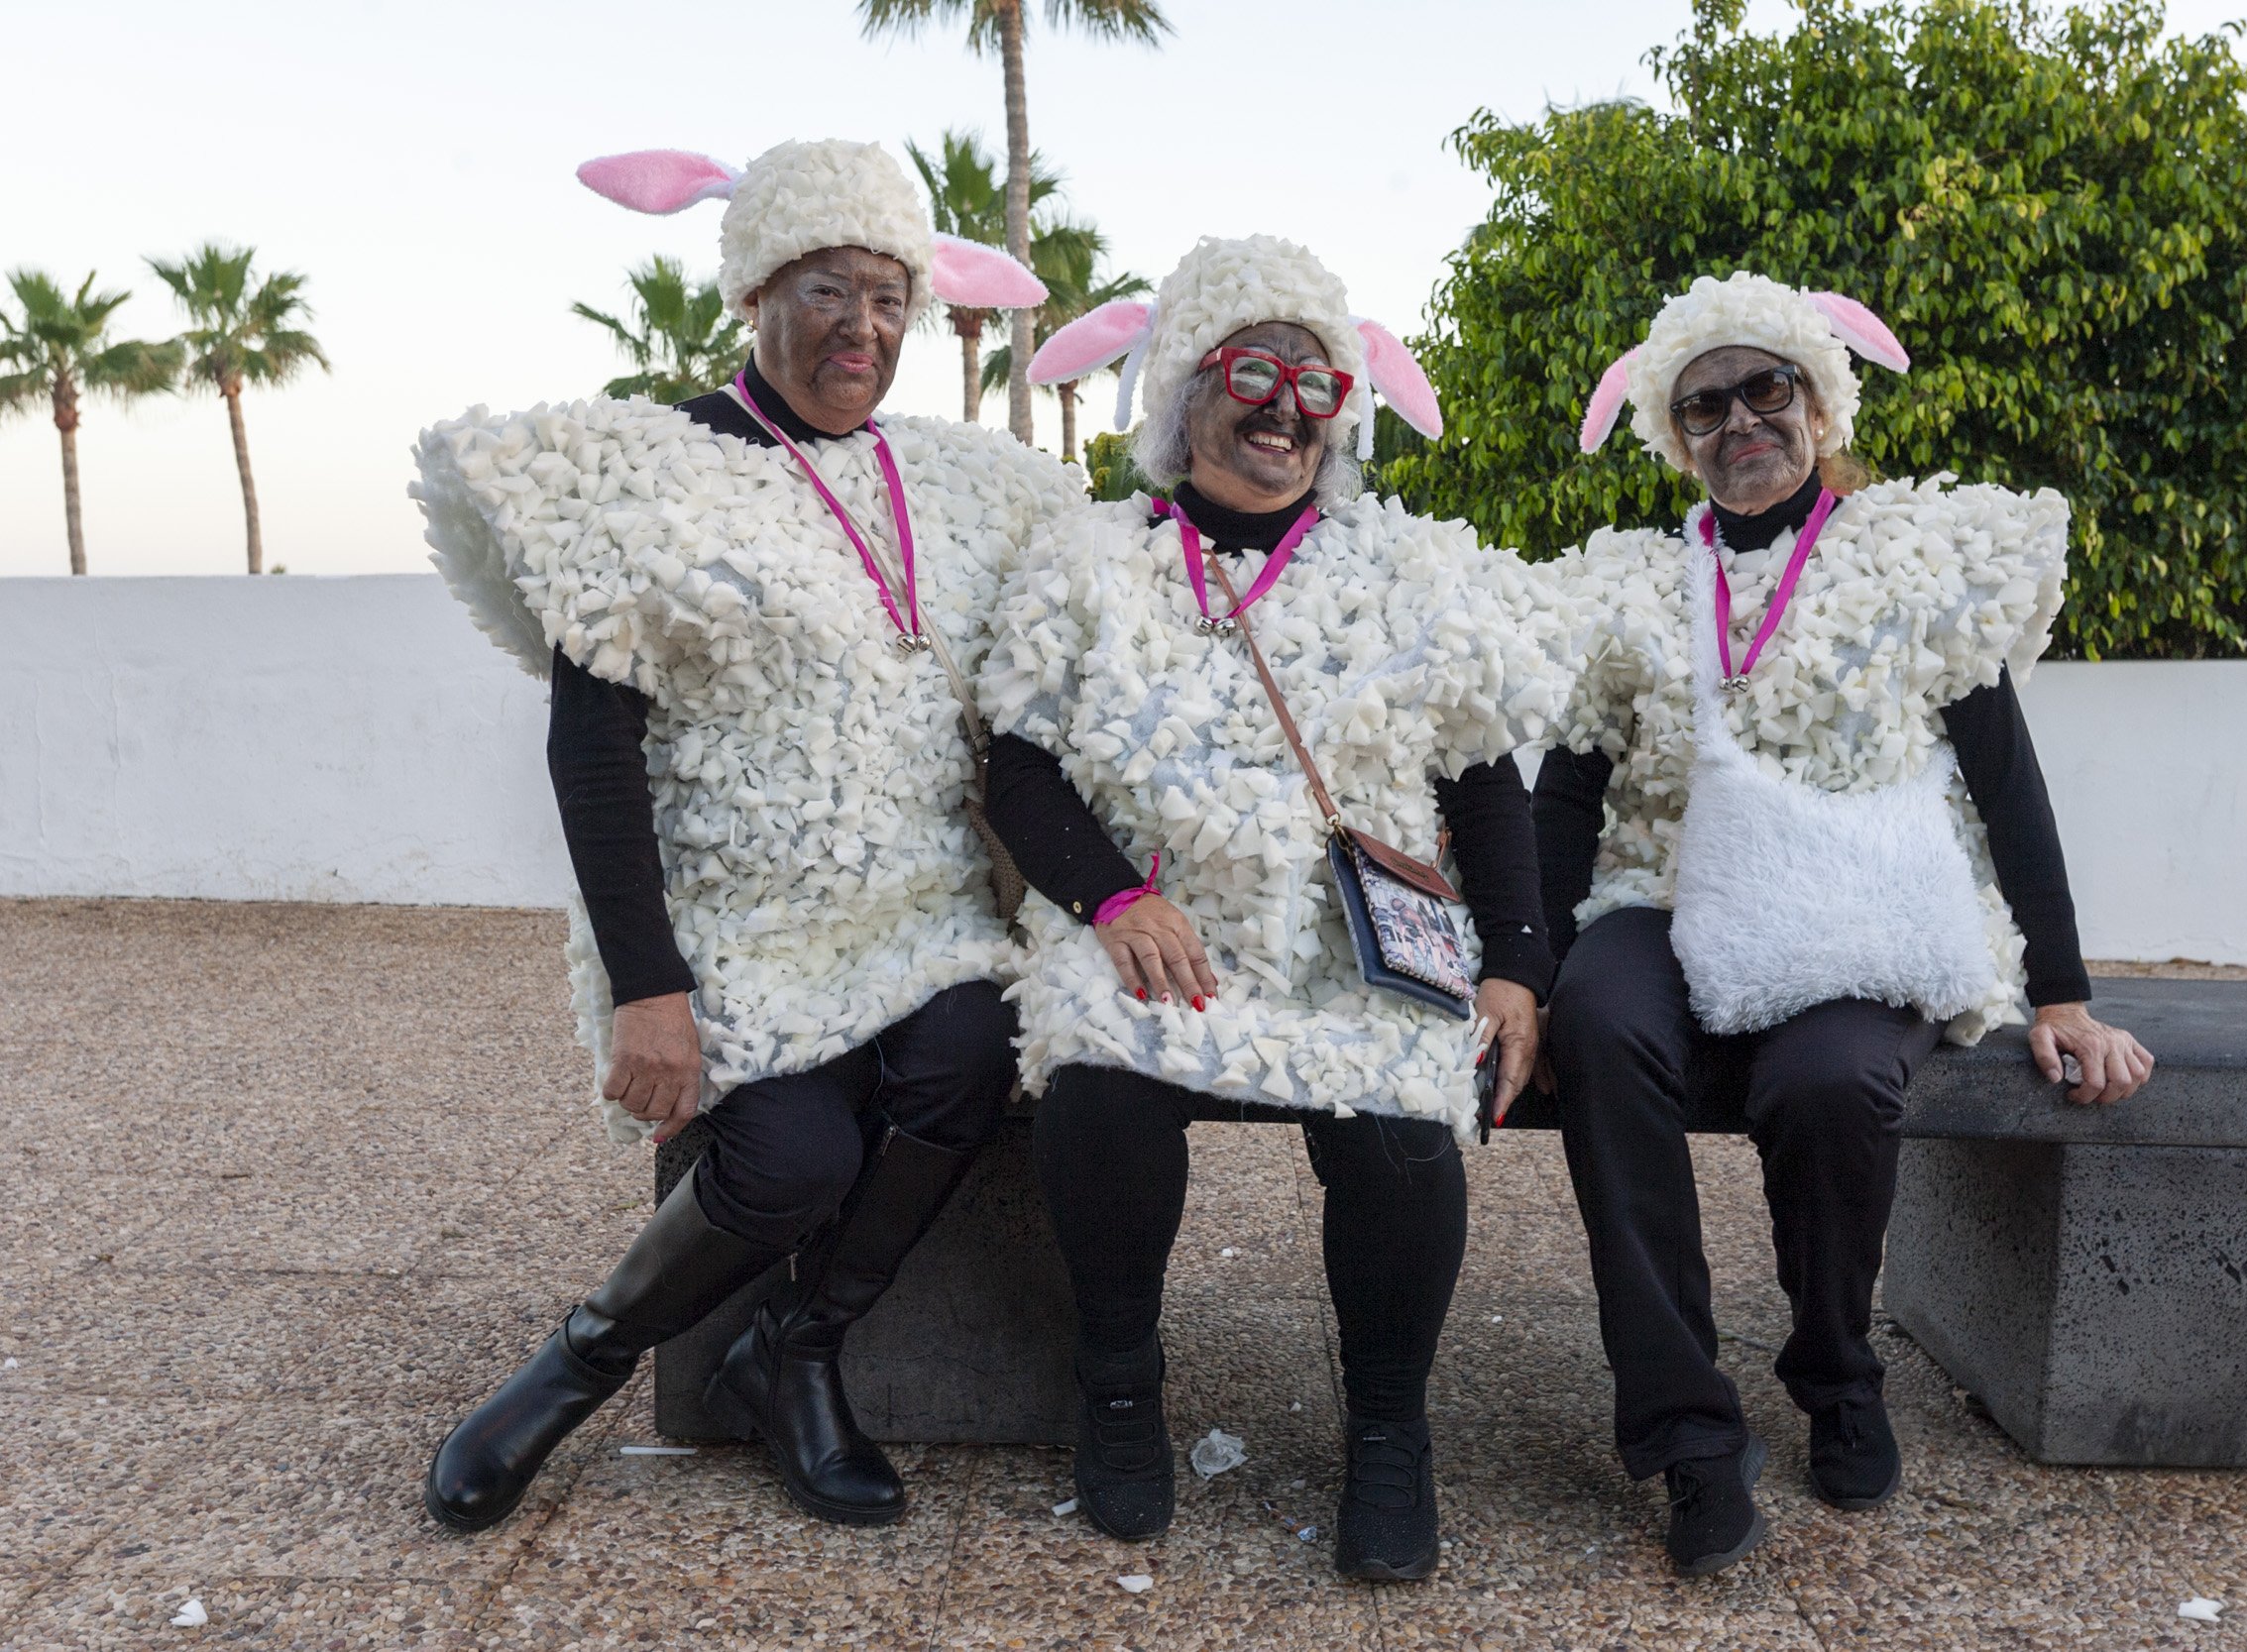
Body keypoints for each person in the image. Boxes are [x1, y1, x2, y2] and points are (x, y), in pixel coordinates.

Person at [409, 138, 1081, 1532]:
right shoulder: (649, 466)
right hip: (733, 919)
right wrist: (650, 987)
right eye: (829, 289)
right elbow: (590, 750)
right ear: (755, 289)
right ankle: (576, 1364)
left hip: (921, 909)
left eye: (893, 297)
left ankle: (802, 1348)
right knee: (796, 1160)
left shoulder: (958, 483)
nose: (865, 327)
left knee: (969, 1051)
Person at [1534, 272, 2155, 1576]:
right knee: (1599, 1016)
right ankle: (1688, 1437)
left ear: (1819, 400)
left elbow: (2006, 782)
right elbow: (1568, 793)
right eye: (1706, 404)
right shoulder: (1638, 587)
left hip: (1859, 903)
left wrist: (2063, 991)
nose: (1740, 419)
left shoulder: (1916, 559)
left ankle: (1835, 1369)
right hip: (1664, 894)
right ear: (1675, 433)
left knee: (1831, 1080)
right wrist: (1523, 975)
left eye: (1768, 388)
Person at [974, 234, 1567, 1581]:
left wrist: (1517, 965)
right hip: (1157, 929)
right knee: (1102, 1088)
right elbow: (1017, 761)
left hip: (1356, 950)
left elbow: (1485, 778)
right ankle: (1120, 1389)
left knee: (1406, 1130)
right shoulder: (1090, 558)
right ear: (1181, 391)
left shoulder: (1409, 569)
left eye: (1315, 381)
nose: (1284, 406)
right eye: (1251, 370)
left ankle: (1388, 1434)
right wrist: (1111, 894)